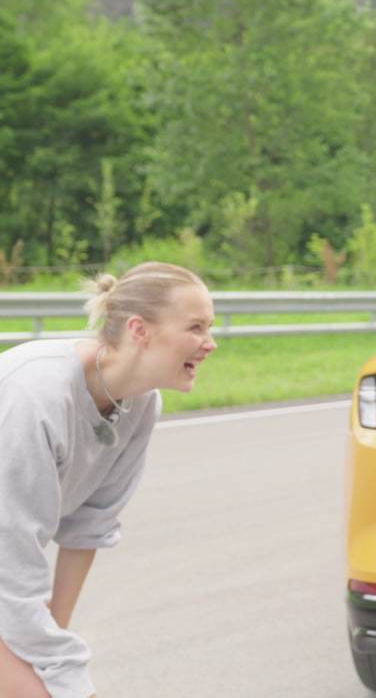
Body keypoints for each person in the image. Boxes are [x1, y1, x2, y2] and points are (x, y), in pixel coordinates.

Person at [0, 262, 216, 698]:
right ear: (139, 330)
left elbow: (89, 524)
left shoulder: (140, 404)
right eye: (195, 327)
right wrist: (59, 666)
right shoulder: (35, 395)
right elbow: (11, 553)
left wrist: (52, 637)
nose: (209, 344)